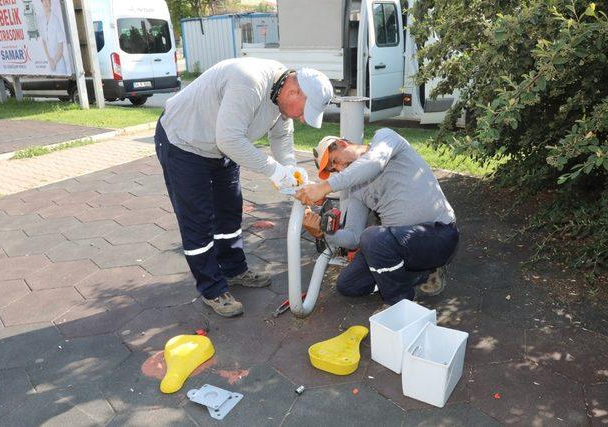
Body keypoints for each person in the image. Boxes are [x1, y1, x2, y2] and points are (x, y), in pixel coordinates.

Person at [155, 57, 333, 317]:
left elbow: (282, 135)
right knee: (199, 219)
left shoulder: (281, 94)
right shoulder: (249, 82)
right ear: (294, 91)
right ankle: (212, 288)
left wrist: (291, 168)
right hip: (185, 142)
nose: (303, 119)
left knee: (229, 211)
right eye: (304, 111)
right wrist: (273, 170)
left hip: (222, 149)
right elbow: (228, 138)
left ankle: (233, 269)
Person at [296, 129, 459, 307]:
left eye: (335, 161)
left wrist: (325, 187)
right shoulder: (354, 188)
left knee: (372, 236)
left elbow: (373, 163)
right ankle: (424, 273)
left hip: (438, 234)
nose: (340, 168)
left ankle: (399, 304)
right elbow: (353, 238)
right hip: (399, 246)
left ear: (343, 144)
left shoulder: (385, 138)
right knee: (348, 284)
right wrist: (322, 232)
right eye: (334, 170)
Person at [39, 0, 68, 74]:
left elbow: (60, 46)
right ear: (42, 3)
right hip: (50, 63)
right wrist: (49, 59)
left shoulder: (55, 19)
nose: (46, 3)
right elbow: (44, 42)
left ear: (50, 2)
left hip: (59, 63)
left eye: (48, 1)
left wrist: (54, 62)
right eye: (44, 1)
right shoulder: (42, 21)